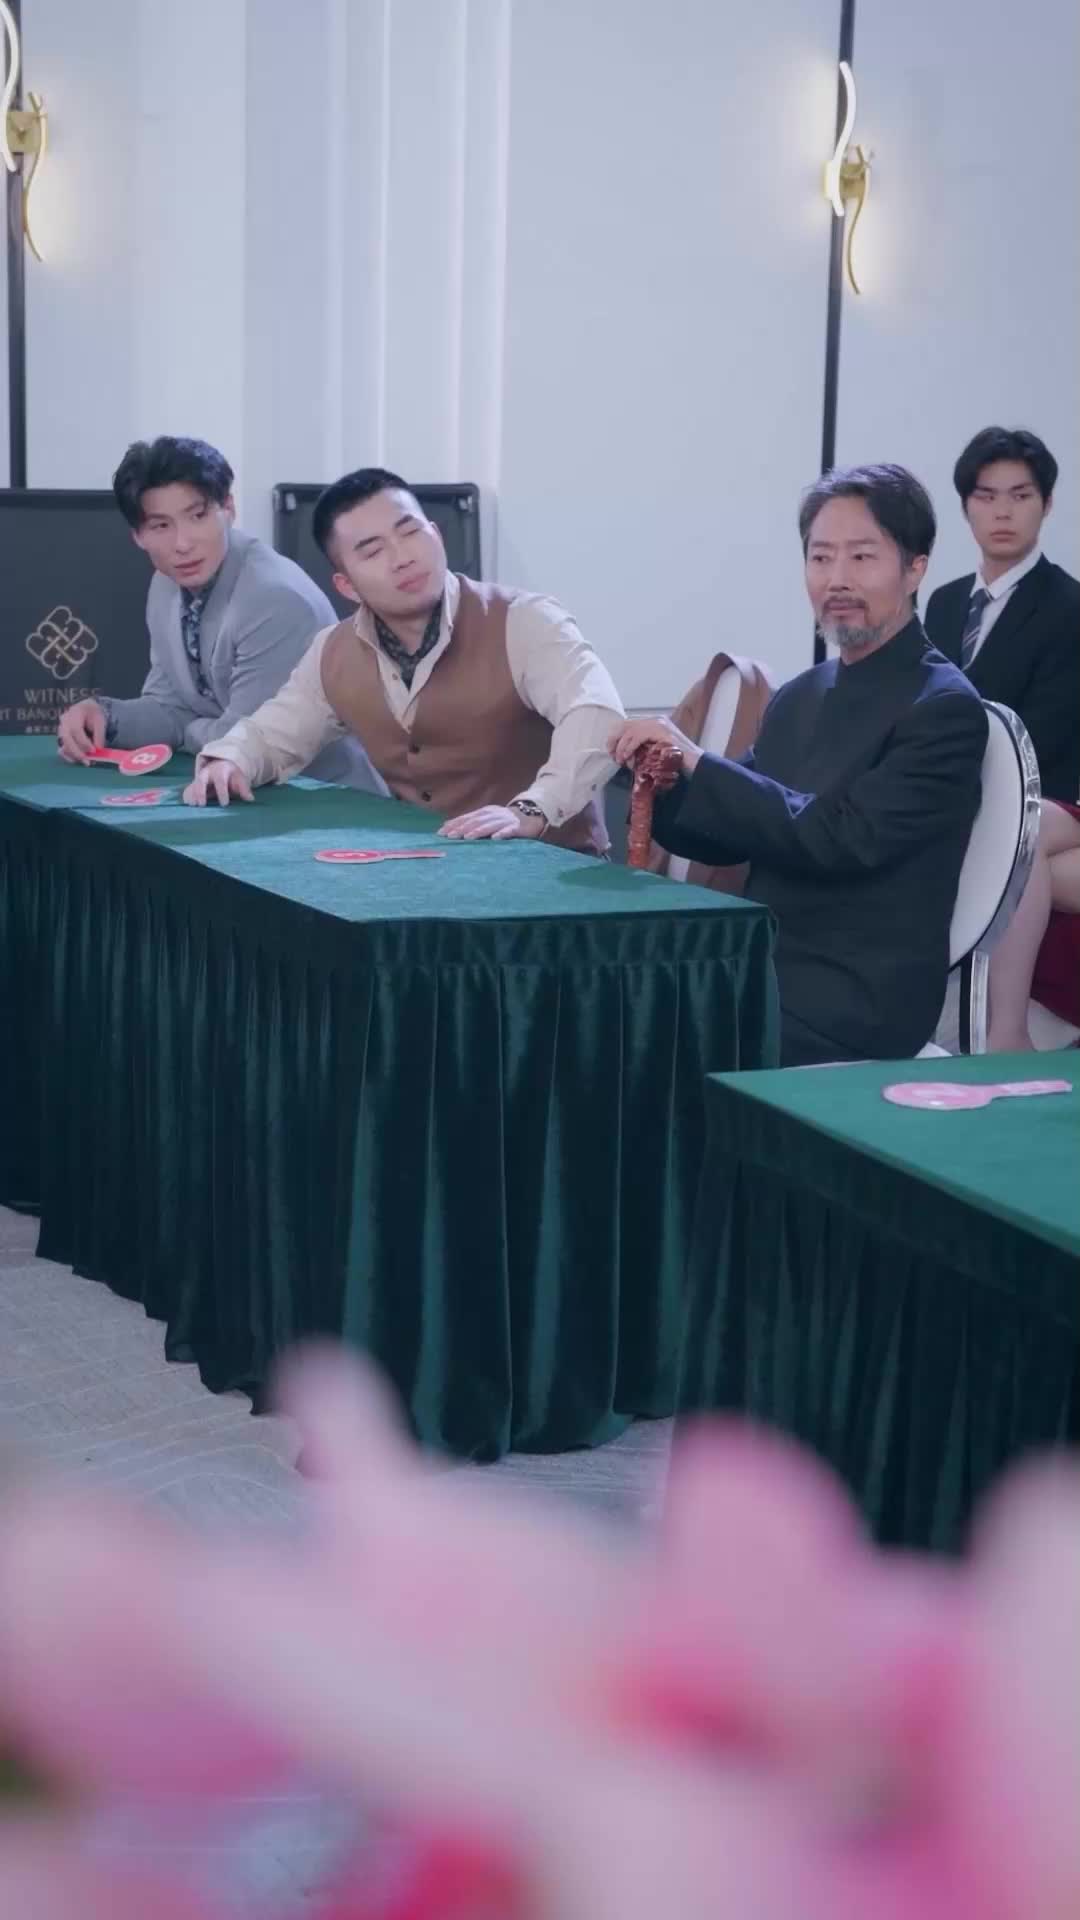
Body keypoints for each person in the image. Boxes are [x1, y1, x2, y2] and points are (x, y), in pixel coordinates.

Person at [610, 465, 988, 1067]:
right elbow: (729, 829)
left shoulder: (944, 708)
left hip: (857, 997)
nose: (837, 579)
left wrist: (699, 760)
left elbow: (841, 838)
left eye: (862, 557)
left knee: (640, 1033)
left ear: (915, 568)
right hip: (762, 963)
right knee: (599, 999)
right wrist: (663, 779)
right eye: (820, 558)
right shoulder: (800, 694)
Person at [182, 468, 624, 853]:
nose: (403, 558)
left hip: (550, 867)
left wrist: (533, 808)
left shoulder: (524, 620)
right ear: (347, 585)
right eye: (373, 551)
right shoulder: (333, 650)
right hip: (424, 868)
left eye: (410, 532)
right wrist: (232, 760)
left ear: (436, 534)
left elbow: (597, 714)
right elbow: (275, 732)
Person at [56, 436, 380, 788]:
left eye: (197, 516)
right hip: (238, 792)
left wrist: (184, 730)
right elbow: (168, 707)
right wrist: (104, 716)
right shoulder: (165, 584)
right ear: (138, 535)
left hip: (322, 799)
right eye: (161, 526)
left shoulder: (275, 598)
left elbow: (242, 740)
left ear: (228, 508)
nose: (182, 544)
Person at [924, 427, 1080, 803]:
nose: (1003, 512)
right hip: (937, 802)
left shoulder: (1070, 606)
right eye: (986, 496)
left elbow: (1046, 738)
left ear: (1047, 503)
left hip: (1029, 808)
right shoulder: (943, 602)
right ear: (966, 506)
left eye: (1021, 496)